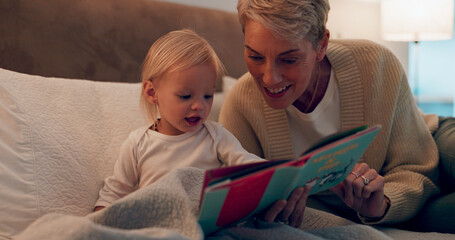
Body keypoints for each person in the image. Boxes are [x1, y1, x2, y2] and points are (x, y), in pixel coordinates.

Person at [219, 0, 444, 230]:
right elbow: (231, 200)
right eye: (255, 57)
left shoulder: (376, 65)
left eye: (288, 60)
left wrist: (383, 203)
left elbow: (418, 166)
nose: (269, 78)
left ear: (321, 45)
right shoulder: (241, 104)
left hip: (433, 136)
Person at [94, 29, 265, 211]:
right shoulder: (138, 143)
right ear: (152, 93)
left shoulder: (216, 136)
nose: (199, 105)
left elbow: (247, 164)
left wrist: (284, 173)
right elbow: (115, 193)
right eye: (185, 96)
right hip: (156, 223)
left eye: (208, 95)